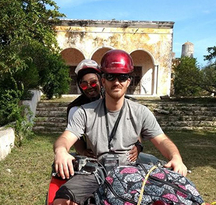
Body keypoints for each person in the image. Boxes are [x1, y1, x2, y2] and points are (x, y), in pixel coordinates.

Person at [53, 50, 187, 205]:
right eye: (110, 76)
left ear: (129, 80)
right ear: (103, 80)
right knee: (62, 200)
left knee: (170, 196)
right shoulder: (84, 112)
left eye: (122, 77)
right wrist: (61, 151)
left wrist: (176, 157)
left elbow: (162, 140)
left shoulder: (140, 111)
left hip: (132, 172)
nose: (116, 82)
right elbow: (65, 138)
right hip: (95, 170)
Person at [68, 59, 140, 160]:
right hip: (94, 159)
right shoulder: (76, 110)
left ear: (101, 82)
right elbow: (74, 137)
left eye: (93, 83)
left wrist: (138, 146)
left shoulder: (116, 102)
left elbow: (135, 124)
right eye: (84, 85)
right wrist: (83, 151)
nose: (89, 87)